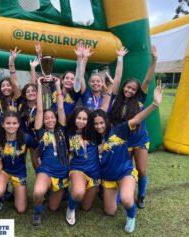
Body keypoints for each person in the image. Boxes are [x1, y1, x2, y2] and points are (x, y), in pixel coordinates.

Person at [93, 84, 162, 233]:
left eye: (101, 122)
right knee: (110, 211)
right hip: (109, 178)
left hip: (125, 173)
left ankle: (131, 216)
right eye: (96, 124)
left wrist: (155, 104)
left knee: (126, 200)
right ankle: (115, 192)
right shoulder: (93, 139)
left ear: (107, 121)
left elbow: (137, 119)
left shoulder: (120, 129)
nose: (99, 126)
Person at [110, 46, 158, 209]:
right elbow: (117, 78)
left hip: (140, 140)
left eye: (133, 89)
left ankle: (141, 195)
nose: (129, 90)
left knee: (142, 170)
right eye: (128, 87)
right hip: (124, 142)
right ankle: (117, 195)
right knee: (123, 170)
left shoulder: (139, 100)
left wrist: (154, 60)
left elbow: (147, 80)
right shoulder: (116, 100)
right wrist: (120, 58)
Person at [65, 74, 114, 226]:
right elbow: (66, 153)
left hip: (94, 172)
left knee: (86, 207)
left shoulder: (93, 132)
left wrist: (111, 87)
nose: (81, 121)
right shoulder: (69, 133)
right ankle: (70, 208)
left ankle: (79, 195)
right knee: (78, 193)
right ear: (74, 119)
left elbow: (104, 109)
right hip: (78, 169)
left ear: (89, 121)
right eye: (78, 118)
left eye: (84, 119)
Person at [32, 76, 69, 226]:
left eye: (52, 118)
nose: (49, 120)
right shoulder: (40, 131)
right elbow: (40, 109)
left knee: (53, 208)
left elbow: (60, 107)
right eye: (46, 118)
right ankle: (37, 212)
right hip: (46, 170)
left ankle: (60, 190)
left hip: (62, 171)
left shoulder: (61, 128)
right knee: (38, 192)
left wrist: (58, 86)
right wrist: (39, 85)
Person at [0, 111, 37, 213]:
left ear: (19, 124)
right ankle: (0, 197)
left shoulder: (26, 138)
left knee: (21, 209)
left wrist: (39, 160)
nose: (11, 126)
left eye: (14, 123)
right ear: (2, 125)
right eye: (8, 123)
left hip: (19, 173)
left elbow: (36, 149)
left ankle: (16, 191)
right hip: (3, 171)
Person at [34, 41, 82, 116]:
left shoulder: (75, 93)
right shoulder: (55, 86)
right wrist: (39, 54)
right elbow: (46, 73)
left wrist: (79, 58)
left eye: (72, 79)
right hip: (52, 121)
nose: (69, 80)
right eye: (67, 78)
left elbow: (79, 76)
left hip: (66, 123)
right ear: (62, 81)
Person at [77, 45, 128, 110]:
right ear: (89, 83)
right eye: (93, 81)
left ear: (102, 83)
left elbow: (118, 78)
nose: (95, 83)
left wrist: (120, 57)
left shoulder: (108, 95)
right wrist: (85, 58)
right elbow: (80, 76)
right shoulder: (86, 93)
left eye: (98, 81)